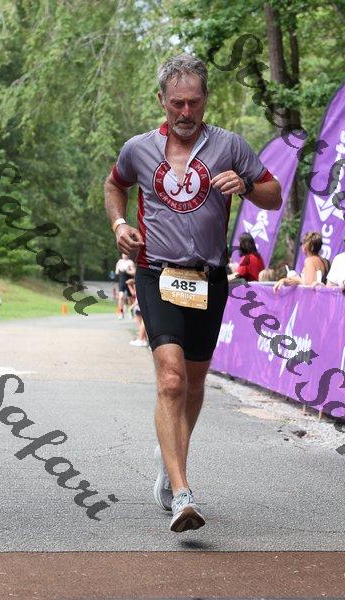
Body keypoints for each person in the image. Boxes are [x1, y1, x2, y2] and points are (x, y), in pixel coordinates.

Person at [104, 53, 282, 532]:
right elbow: (114, 185)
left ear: (205, 100)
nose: (185, 112)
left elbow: (275, 195)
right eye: (176, 103)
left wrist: (246, 184)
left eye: (194, 103)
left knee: (196, 384)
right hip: (156, 273)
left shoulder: (230, 145)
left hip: (208, 278)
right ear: (161, 100)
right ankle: (183, 494)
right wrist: (119, 224)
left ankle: (170, 460)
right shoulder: (139, 149)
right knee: (171, 380)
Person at [126, 277, 149, 347]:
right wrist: (129, 285)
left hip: (140, 307)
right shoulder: (140, 283)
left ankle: (141, 339)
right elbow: (134, 294)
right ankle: (144, 340)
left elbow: (137, 298)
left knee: (141, 324)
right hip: (141, 307)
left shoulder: (140, 282)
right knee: (142, 324)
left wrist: (131, 306)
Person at [115, 253, 135, 318]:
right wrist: (120, 269)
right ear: (122, 255)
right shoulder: (119, 262)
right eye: (123, 254)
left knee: (130, 298)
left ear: (128, 255)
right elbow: (116, 272)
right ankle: (120, 312)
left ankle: (131, 311)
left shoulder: (130, 262)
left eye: (126, 254)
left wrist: (127, 271)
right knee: (121, 297)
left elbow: (134, 272)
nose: (125, 255)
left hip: (129, 282)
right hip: (121, 281)